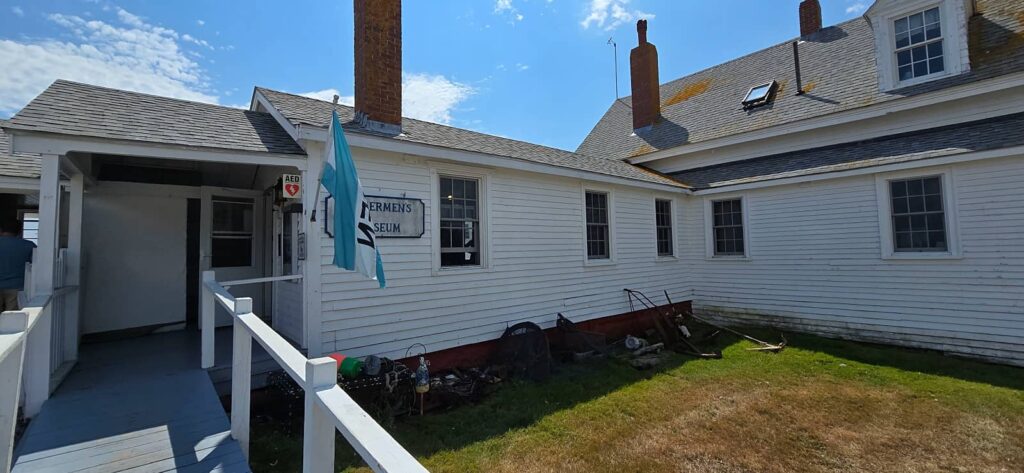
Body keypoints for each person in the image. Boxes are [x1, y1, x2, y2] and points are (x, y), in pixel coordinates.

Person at [0, 218, 35, 312]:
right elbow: (36, 266)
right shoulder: (29, 245)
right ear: (20, 231)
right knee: (12, 316)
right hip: (17, 286)